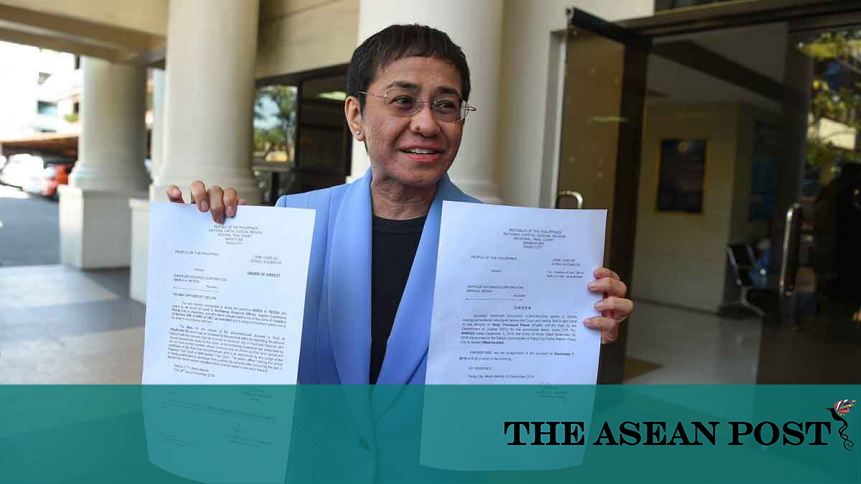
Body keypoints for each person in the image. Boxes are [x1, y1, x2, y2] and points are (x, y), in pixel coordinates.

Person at [166, 24, 633, 385]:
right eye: (403, 100)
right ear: (356, 116)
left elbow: (520, 378)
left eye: (446, 105)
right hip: (317, 463)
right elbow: (230, 346)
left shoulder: (506, 245)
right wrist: (205, 242)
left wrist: (577, 328)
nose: (427, 124)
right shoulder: (296, 220)